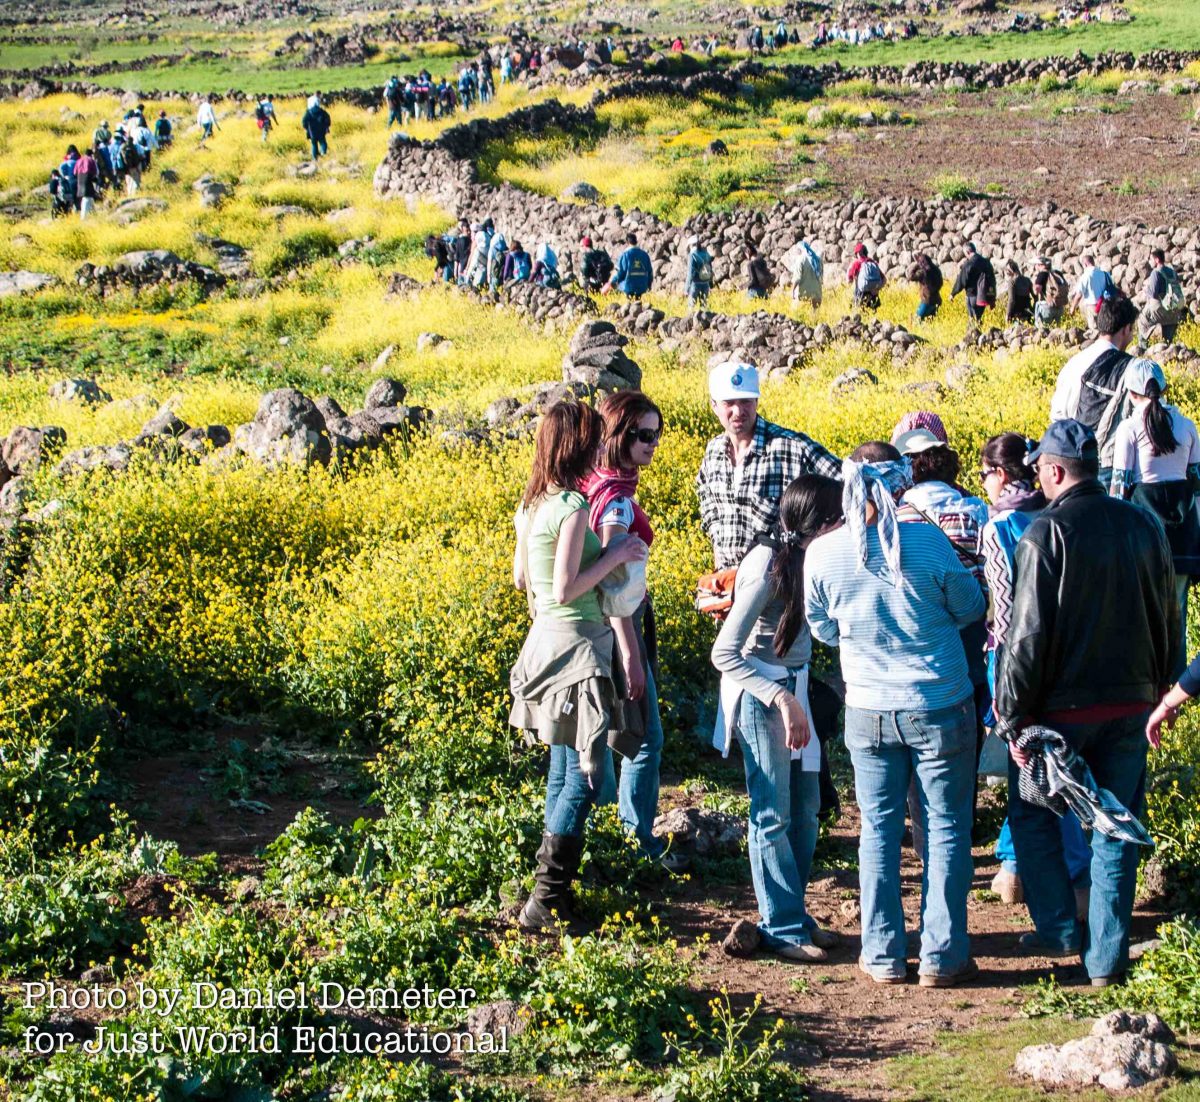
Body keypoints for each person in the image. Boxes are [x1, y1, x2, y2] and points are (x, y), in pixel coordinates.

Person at [995, 419, 1176, 986]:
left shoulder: (1043, 534)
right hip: (1132, 706)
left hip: (1058, 718)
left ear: (1052, 471)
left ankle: (1059, 929)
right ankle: (1105, 961)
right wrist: (1167, 690)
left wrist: (1011, 714)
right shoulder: (1144, 524)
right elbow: (1170, 616)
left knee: (1031, 816)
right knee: (1117, 828)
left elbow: (1026, 634)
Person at [805, 443, 986, 987]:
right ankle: (943, 955)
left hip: (868, 706)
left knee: (878, 830)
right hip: (939, 701)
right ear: (900, 485)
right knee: (946, 827)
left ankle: (883, 953)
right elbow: (971, 607)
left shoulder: (824, 552)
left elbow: (823, 628)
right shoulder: (928, 541)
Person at [510, 402, 649, 930]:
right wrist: (617, 556)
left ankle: (551, 895)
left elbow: (527, 582)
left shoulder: (533, 505)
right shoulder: (570, 506)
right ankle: (546, 899)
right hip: (578, 646)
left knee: (564, 770)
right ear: (575, 444)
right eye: (592, 439)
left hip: (546, 638)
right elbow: (570, 586)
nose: (599, 449)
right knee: (588, 777)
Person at [712, 475, 845, 962]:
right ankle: (781, 925)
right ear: (825, 523)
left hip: (797, 687)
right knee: (772, 812)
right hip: (761, 693)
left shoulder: (814, 558)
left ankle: (794, 911)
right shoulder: (767, 566)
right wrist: (782, 700)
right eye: (842, 517)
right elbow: (725, 652)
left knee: (806, 810)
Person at [977, 433, 1091, 909]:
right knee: (1051, 756)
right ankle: (1017, 864)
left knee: (1024, 758)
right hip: (1064, 658)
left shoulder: (999, 526)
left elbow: (1002, 612)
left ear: (1001, 475)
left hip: (1012, 657)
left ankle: (1050, 872)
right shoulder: (1055, 517)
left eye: (984, 474)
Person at [587, 392, 677, 868]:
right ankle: (633, 844)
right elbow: (613, 577)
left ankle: (602, 839)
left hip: (593, 629)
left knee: (602, 734)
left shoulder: (594, 481)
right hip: (617, 628)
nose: (652, 444)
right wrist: (630, 651)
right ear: (618, 435)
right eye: (643, 435)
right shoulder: (616, 499)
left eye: (656, 434)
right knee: (642, 738)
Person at [696, 361, 842, 572]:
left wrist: (821, 537)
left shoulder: (791, 446)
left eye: (746, 401)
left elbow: (847, 480)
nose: (738, 411)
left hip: (777, 584)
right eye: (729, 403)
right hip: (726, 580)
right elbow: (704, 492)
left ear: (756, 401)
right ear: (714, 405)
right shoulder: (713, 451)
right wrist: (716, 542)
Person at [1110, 358, 1200, 674]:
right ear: (1164, 388)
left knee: (1144, 610)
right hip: (1183, 535)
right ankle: (1179, 682)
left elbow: (1119, 488)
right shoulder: (1187, 425)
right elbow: (1196, 484)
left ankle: (1147, 677)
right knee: (1177, 610)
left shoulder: (1129, 428)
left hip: (1144, 530)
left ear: (1131, 394)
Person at [1049, 295, 1138, 483]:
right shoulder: (1130, 368)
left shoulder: (1075, 362)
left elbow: (1057, 416)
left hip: (1072, 462)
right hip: (1107, 465)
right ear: (1126, 329)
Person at [1139, 248, 1185, 345]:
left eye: (1151, 259)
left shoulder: (1156, 273)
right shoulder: (1172, 272)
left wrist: (1145, 290)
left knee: (1142, 321)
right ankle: (1168, 348)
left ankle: (1142, 349)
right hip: (1174, 309)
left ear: (1157, 260)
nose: (1150, 262)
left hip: (1159, 309)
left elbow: (1153, 294)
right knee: (1168, 341)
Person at [951, 243, 996, 327]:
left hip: (972, 296)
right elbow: (992, 281)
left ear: (968, 252)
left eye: (965, 254)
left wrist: (953, 293)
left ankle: (974, 338)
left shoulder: (969, 263)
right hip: (983, 296)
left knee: (973, 320)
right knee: (977, 319)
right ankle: (979, 336)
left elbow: (962, 279)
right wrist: (992, 298)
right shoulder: (986, 262)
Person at [1069, 253, 1116, 329]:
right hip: (1104, 305)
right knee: (1104, 328)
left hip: (1093, 307)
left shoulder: (1086, 276)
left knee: (1094, 330)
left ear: (1085, 264)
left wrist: (1073, 308)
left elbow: (1079, 295)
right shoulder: (1103, 274)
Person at [608, 234, 653, 298]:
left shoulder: (625, 255)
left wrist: (613, 282)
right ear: (636, 241)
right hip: (642, 286)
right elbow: (650, 272)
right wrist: (649, 284)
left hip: (629, 286)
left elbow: (619, 271)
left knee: (630, 304)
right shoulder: (645, 255)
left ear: (627, 242)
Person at [781, 239, 821, 305]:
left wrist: (792, 291)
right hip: (817, 295)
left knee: (797, 314)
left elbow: (797, 278)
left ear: (799, 250)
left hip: (804, 296)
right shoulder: (817, 260)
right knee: (815, 315)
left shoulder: (800, 260)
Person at [1034, 257, 1068, 328]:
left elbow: (1037, 290)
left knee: (1044, 331)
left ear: (1041, 265)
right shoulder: (1058, 273)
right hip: (1060, 307)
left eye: (1036, 264)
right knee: (1057, 332)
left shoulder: (1042, 274)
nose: (1035, 266)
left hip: (1047, 307)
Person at [848, 243, 885, 309]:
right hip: (874, 297)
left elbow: (849, 280)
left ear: (858, 253)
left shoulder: (857, 263)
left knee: (857, 313)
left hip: (861, 295)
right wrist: (877, 288)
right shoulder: (873, 263)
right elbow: (884, 279)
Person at [907, 253, 943, 320]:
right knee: (931, 323)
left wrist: (917, 265)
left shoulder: (923, 272)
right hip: (937, 300)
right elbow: (941, 283)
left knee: (917, 320)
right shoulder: (936, 269)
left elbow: (910, 276)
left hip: (927, 301)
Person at [686, 235, 714, 309]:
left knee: (691, 309)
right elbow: (710, 269)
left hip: (695, 284)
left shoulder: (692, 255)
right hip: (706, 283)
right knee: (704, 308)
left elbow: (690, 272)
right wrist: (711, 284)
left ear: (691, 245)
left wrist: (686, 289)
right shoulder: (706, 253)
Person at [1005, 259, 1034, 324]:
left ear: (1011, 270)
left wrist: (1008, 314)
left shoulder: (1012, 281)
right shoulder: (1027, 280)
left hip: (1017, 313)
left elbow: (1011, 300)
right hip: (1027, 311)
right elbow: (1035, 296)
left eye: (1007, 270)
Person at [73, 147, 98, 219]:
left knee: (89, 198)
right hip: (87, 178)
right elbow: (95, 172)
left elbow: (74, 172)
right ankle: (83, 217)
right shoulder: (91, 160)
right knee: (87, 198)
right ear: (91, 154)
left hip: (79, 179)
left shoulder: (79, 160)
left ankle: (94, 215)